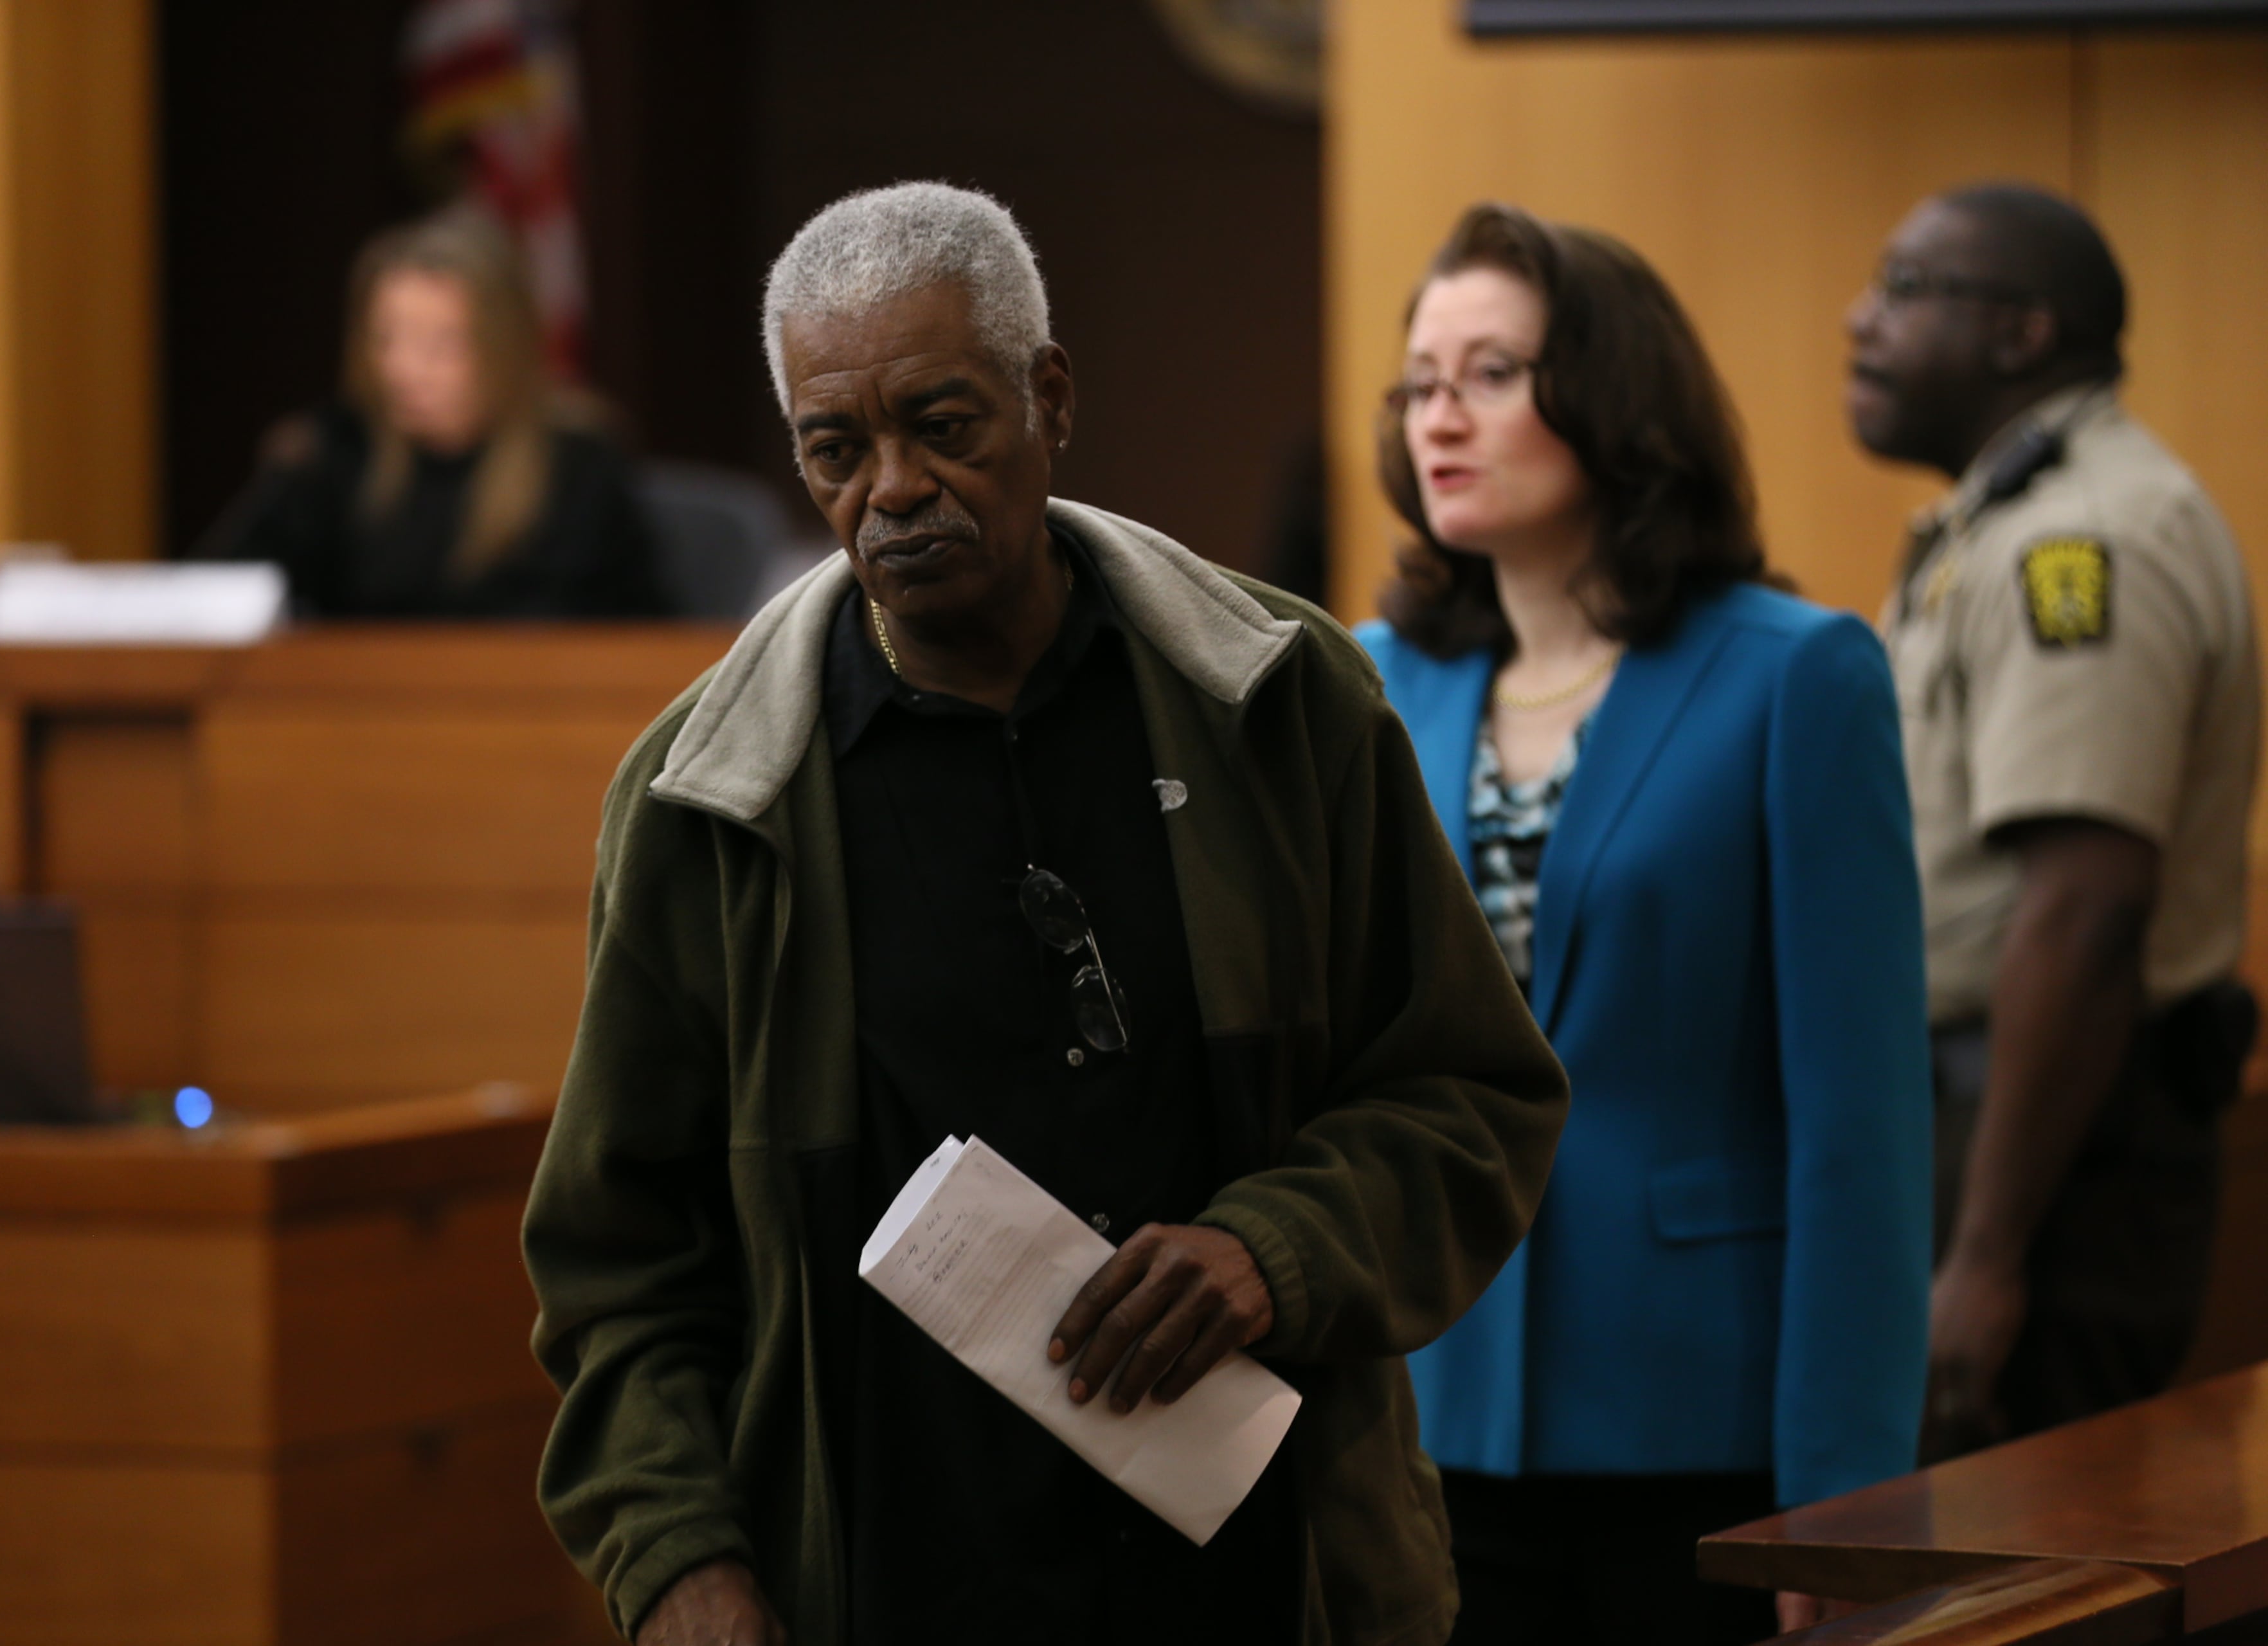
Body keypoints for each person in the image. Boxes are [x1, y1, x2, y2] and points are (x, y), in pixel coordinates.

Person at [520, 182, 1570, 1646]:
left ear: (1048, 396)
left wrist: (1273, 1248)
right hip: (878, 1573)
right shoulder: (712, 802)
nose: (888, 489)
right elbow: (622, 1263)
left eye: (942, 424)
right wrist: (677, 1555)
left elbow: (1467, 1088)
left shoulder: (1274, 702)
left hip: (1262, 1571)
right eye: (836, 449)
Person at [1356, 202, 1932, 1645]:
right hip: (1427, 1402)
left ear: (1612, 396)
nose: (1445, 415)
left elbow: (1859, 1125)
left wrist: (1848, 1491)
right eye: (1422, 381)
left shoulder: (1798, 676)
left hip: (1698, 1421)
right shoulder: (1362, 683)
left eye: (1493, 372)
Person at [1847, 184, 2260, 1462]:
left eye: (1906, 290)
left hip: (2049, 1152)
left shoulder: (2078, 540)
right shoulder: (2013, 517)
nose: (1861, 320)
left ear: (2022, 334)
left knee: (2008, 1566)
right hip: (2000, 1124)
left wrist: (1984, 1255)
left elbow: (2085, 907)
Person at [195, 211, 672, 619]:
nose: (405, 369)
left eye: (441, 345)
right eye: (387, 340)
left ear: (504, 347)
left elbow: (639, 646)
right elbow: (216, 603)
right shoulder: (333, 453)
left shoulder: (579, 467)